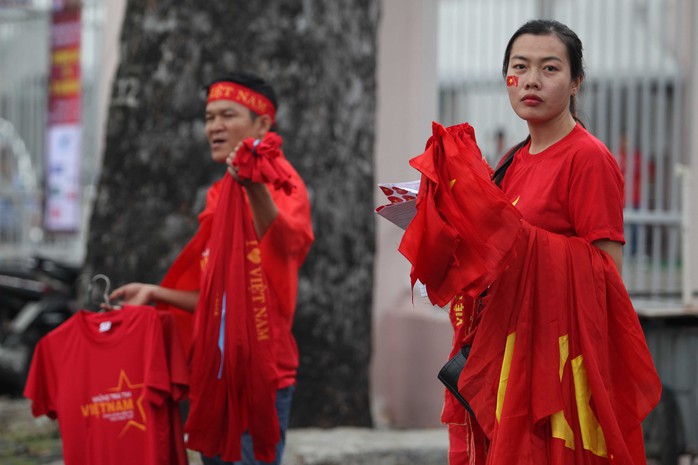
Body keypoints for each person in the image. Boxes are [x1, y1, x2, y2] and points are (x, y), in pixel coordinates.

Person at [428, 20, 655, 464]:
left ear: (575, 83)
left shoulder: (587, 158)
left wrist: (523, 241)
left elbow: (607, 274)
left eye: (550, 68)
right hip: (506, 351)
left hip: (555, 363)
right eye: (519, 67)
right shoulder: (511, 161)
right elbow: (496, 254)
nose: (531, 80)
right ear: (506, 79)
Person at [109, 72, 314, 465]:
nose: (214, 127)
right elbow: (216, 298)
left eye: (227, 115)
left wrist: (254, 187)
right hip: (215, 375)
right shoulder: (220, 191)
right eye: (208, 117)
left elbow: (291, 243)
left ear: (263, 124)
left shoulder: (281, 181)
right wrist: (155, 293)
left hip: (260, 376)